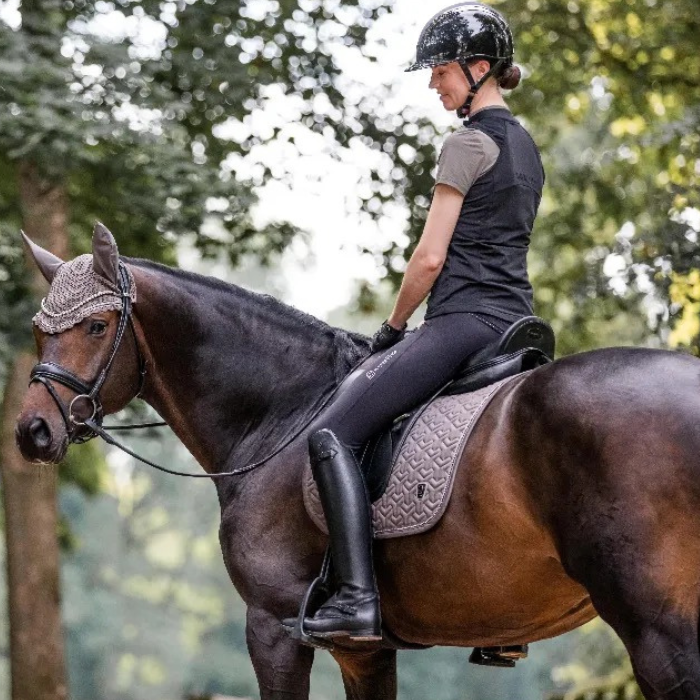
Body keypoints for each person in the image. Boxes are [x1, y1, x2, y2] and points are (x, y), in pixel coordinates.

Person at [285, 2, 545, 643]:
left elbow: (429, 259)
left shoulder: (466, 143)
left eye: (443, 71)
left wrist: (395, 329)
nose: (435, 84)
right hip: (518, 324)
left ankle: (356, 599)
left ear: (479, 69)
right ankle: (503, 620)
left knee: (331, 436)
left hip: (464, 322)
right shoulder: (528, 150)